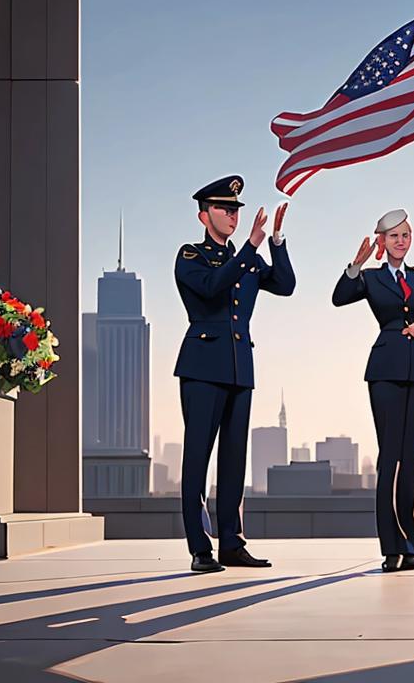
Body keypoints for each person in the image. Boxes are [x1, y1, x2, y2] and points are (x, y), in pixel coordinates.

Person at [174, 176, 295, 573]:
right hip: (203, 367)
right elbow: (211, 288)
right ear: (203, 215)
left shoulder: (249, 256)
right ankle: (199, 549)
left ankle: (231, 542)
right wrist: (251, 248)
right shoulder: (192, 255)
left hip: (240, 367)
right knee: (197, 459)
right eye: (224, 209)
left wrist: (276, 242)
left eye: (236, 210)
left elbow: (285, 285)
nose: (232, 215)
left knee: (233, 461)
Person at [332, 209, 414, 572]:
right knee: (390, 457)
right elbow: (339, 297)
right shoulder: (369, 278)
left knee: (410, 457)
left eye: (405, 235)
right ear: (381, 242)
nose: (401, 241)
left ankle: (410, 547)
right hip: (385, 371)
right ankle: (391, 548)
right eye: (393, 236)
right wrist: (355, 264)